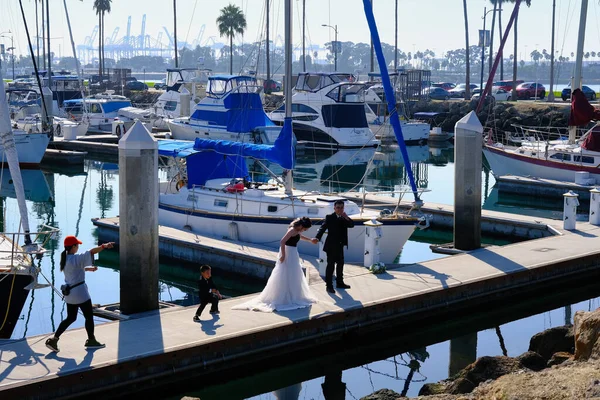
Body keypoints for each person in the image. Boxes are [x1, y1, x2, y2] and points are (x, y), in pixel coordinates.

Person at [232, 217, 317, 312]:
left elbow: (299, 236)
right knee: (284, 273)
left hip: (293, 252)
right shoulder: (292, 229)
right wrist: (283, 255)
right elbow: (282, 241)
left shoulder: (296, 231)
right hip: (288, 252)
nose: (305, 230)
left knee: (294, 273)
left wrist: (310, 240)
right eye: (305, 229)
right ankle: (283, 296)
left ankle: (293, 294)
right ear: (301, 225)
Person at [45, 236, 114, 353]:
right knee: (89, 317)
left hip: (69, 294)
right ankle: (91, 340)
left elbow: (74, 270)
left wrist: (87, 270)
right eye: (77, 245)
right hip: (80, 293)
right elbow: (91, 252)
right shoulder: (76, 258)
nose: (78, 247)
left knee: (70, 318)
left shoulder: (65, 259)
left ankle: (54, 339)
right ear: (73, 247)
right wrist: (104, 246)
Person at [312, 200, 354, 294]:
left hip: (340, 245)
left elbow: (352, 225)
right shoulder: (329, 217)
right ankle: (329, 286)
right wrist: (317, 238)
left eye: (341, 207)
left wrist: (346, 217)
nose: (339, 209)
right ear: (334, 208)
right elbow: (323, 228)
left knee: (340, 264)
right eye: (338, 207)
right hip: (331, 246)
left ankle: (340, 282)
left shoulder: (344, 218)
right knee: (330, 265)